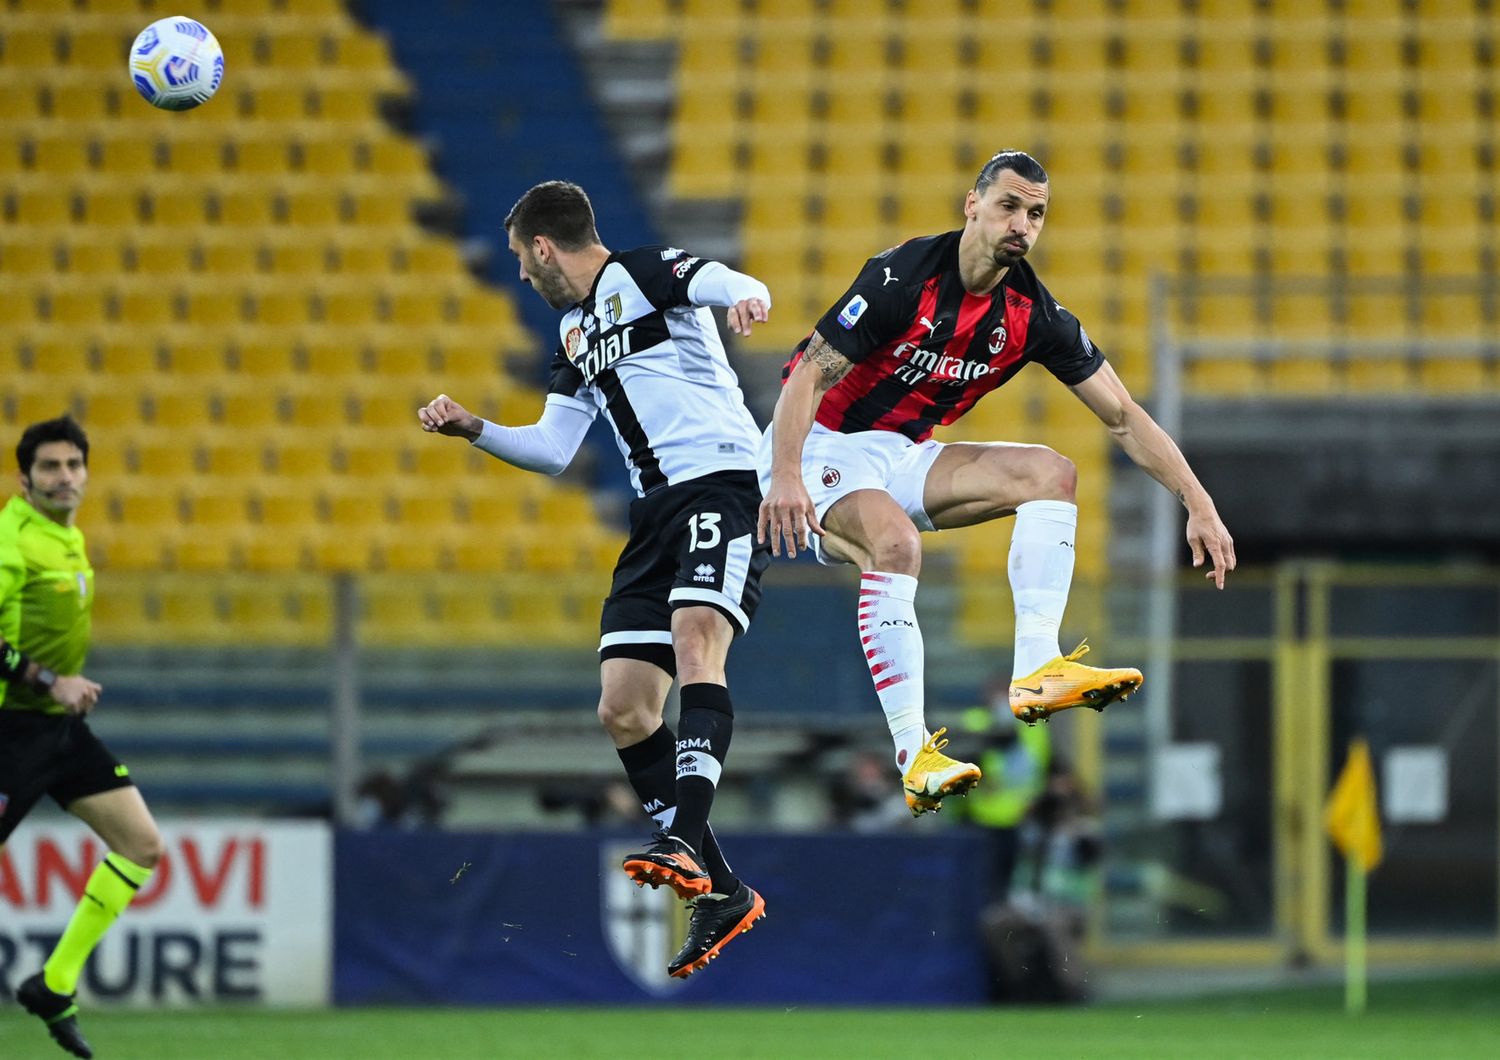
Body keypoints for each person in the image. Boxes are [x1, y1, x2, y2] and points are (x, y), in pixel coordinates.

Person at [758, 149, 1236, 816]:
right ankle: (913, 754)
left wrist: (1198, 501)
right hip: (816, 447)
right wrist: (783, 476)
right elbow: (809, 372)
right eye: (1010, 205)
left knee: (1051, 474)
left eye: (1036, 213)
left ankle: (1038, 668)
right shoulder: (902, 277)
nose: (1023, 223)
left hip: (903, 452)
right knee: (897, 546)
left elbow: (1124, 416)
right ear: (972, 205)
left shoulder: (1032, 313)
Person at [418, 180, 772, 980]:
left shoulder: (641, 274)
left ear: (544, 247)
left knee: (694, 643)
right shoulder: (576, 333)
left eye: (519, 259)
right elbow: (552, 448)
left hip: (721, 487)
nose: (519, 276)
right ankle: (720, 889)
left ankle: (681, 838)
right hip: (653, 518)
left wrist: (749, 296)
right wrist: (473, 429)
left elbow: (723, 282)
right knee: (622, 707)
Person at [2, 415, 165, 1060]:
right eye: (49, 467)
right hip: (9, 733)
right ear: (25, 478)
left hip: (57, 730)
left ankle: (54, 982)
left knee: (141, 846)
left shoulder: (66, 538)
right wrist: (50, 681)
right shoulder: (13, 540)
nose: (63, 477)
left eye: (73, 465)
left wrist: (58, 692)